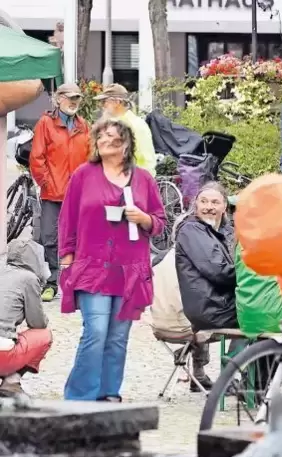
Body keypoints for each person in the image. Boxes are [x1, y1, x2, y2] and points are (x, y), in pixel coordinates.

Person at [58, 119, 166, 401]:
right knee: (95, 332)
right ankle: (80, 397)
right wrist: (67, 260)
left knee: (118, 337)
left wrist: (144, 219)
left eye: (111, 136)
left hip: (129, 268)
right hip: (92, 266)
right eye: (101, 136)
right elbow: (67, 219)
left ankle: (108, 392)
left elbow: (160, 222)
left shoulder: (144, 179)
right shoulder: (83, 175)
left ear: (126, 143)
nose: (105, 140)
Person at [29, 83, 91, 302]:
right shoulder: (46, 123)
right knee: (49, 238)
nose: (74, 102)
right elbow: (37, 158)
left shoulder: (84, 126)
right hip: (52, 193)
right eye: (70, 98)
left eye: (77, 98)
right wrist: (45, 182)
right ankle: (52, 282)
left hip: (78, 196)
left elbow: (91, 159)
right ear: (58, 99)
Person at [174, 182, 246, 358]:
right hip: (210, 308)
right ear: (196, 204)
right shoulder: (191, 230)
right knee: (261, 315)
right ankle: (234, 375)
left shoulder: (228, 231)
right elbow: (219, 271)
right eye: (204, 201)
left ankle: (234, 373)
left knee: (264, 306)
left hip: (222, 302)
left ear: (224, 207)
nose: (208, 207)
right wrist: (254, 274)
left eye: (215, 202)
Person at [151, 247, 213, 392]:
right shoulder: (194, 257)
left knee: (200, 316)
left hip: (159, 325)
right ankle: (233, 375)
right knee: (217, 320)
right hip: (186, 328)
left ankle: (198, 372)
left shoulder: (159, 259)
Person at [0, 239, 53, 398]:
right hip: (2, 353)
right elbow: (37, 323)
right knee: (44, 335)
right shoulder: (29, 278)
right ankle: (11, 382)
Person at [94, 84, 157, 175]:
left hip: (132, 182)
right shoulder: (112, 124)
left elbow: (147, 160)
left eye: (104, 101)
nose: (102, 106)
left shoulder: (135, 125)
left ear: (117, 102)